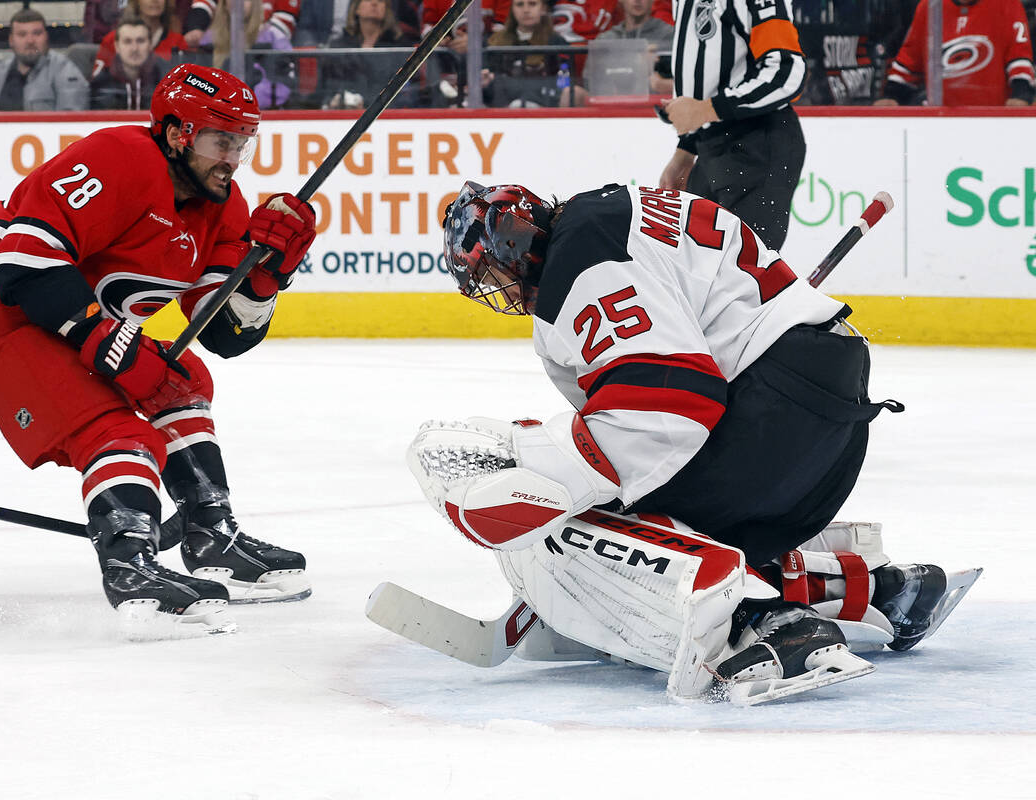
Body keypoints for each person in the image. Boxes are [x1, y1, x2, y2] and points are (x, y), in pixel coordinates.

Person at [414, 180, 977, 700]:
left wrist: (552, 477)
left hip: (771, 418)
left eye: (492, 275)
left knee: (604, 519)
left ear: (515, 248)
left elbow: (671, 404)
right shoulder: (607, 212)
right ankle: (883, 592)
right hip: (821, 413)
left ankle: (760, 624)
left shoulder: (578, 259)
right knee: (654, 506)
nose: (498, 291)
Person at [0, 65, 317, 633]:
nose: (232, 158)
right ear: (179, 133)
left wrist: (264, 278)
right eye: (220, 140)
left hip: (54, 323)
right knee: (118, 432)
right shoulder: (120, 158)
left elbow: (224, 335)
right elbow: (25, 264)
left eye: (241, 143)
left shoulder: (223, 206)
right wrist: (110, 343)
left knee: (181, 377)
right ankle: (132, 570)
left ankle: (210, 532)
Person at [657, 0, 807, 251]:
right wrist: (685, 152)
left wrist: (705, 110)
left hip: (757, 143)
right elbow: (706, 78)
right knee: (697, 269)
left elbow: (786, 72)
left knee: (743, 273)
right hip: (710, 146)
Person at [873, 0, 1035, 107]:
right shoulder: (930, 7)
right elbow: (909, 61)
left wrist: (1021, 94)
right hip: (941, 119)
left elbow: (1019, 56)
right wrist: (891, 95)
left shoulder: (1007, 4)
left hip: (992, 118)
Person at [0, 9, 89, 111]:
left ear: (46, 37)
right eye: (22, 34)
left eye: (37, 33)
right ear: (11, 40)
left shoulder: (64, 70)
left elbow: (71, 121)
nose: (30, 41)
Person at [482, 0, 583, 108]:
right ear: (512, 9)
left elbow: (563, 83)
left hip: (545, 109)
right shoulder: (493, 43)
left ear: (543, 8)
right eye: (520, 4)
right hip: (500, 111)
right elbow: (486, 84)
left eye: (532, 4)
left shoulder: (557, 42)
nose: (526, 10)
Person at [323, 0, 421, 109]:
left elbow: (406, 90)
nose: (374, 3)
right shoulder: (339, 47)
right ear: (356, 8)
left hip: (387, 113)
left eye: (380, 1)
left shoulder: (400, 46)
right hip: (345, 113)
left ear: (386, 9)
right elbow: (330, 87)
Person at [587, 0, 674, 96]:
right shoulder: (605, 39)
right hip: (613, 104)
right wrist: (637, 63)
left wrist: (662, 83)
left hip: (656, 104)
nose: (637, 1)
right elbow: (589, 81)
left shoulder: (669, 35)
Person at [92, 0, 190, 80]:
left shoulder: (178, 42)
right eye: (127, 42)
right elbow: (97, 83)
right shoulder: (112, 40)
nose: (154, 1)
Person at [90, 16, 170, 109]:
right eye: (127, 41)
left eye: (140, 41)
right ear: (117, 46)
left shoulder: (165, 81)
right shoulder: (100, 84)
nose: (134, 48)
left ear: (150, 45)